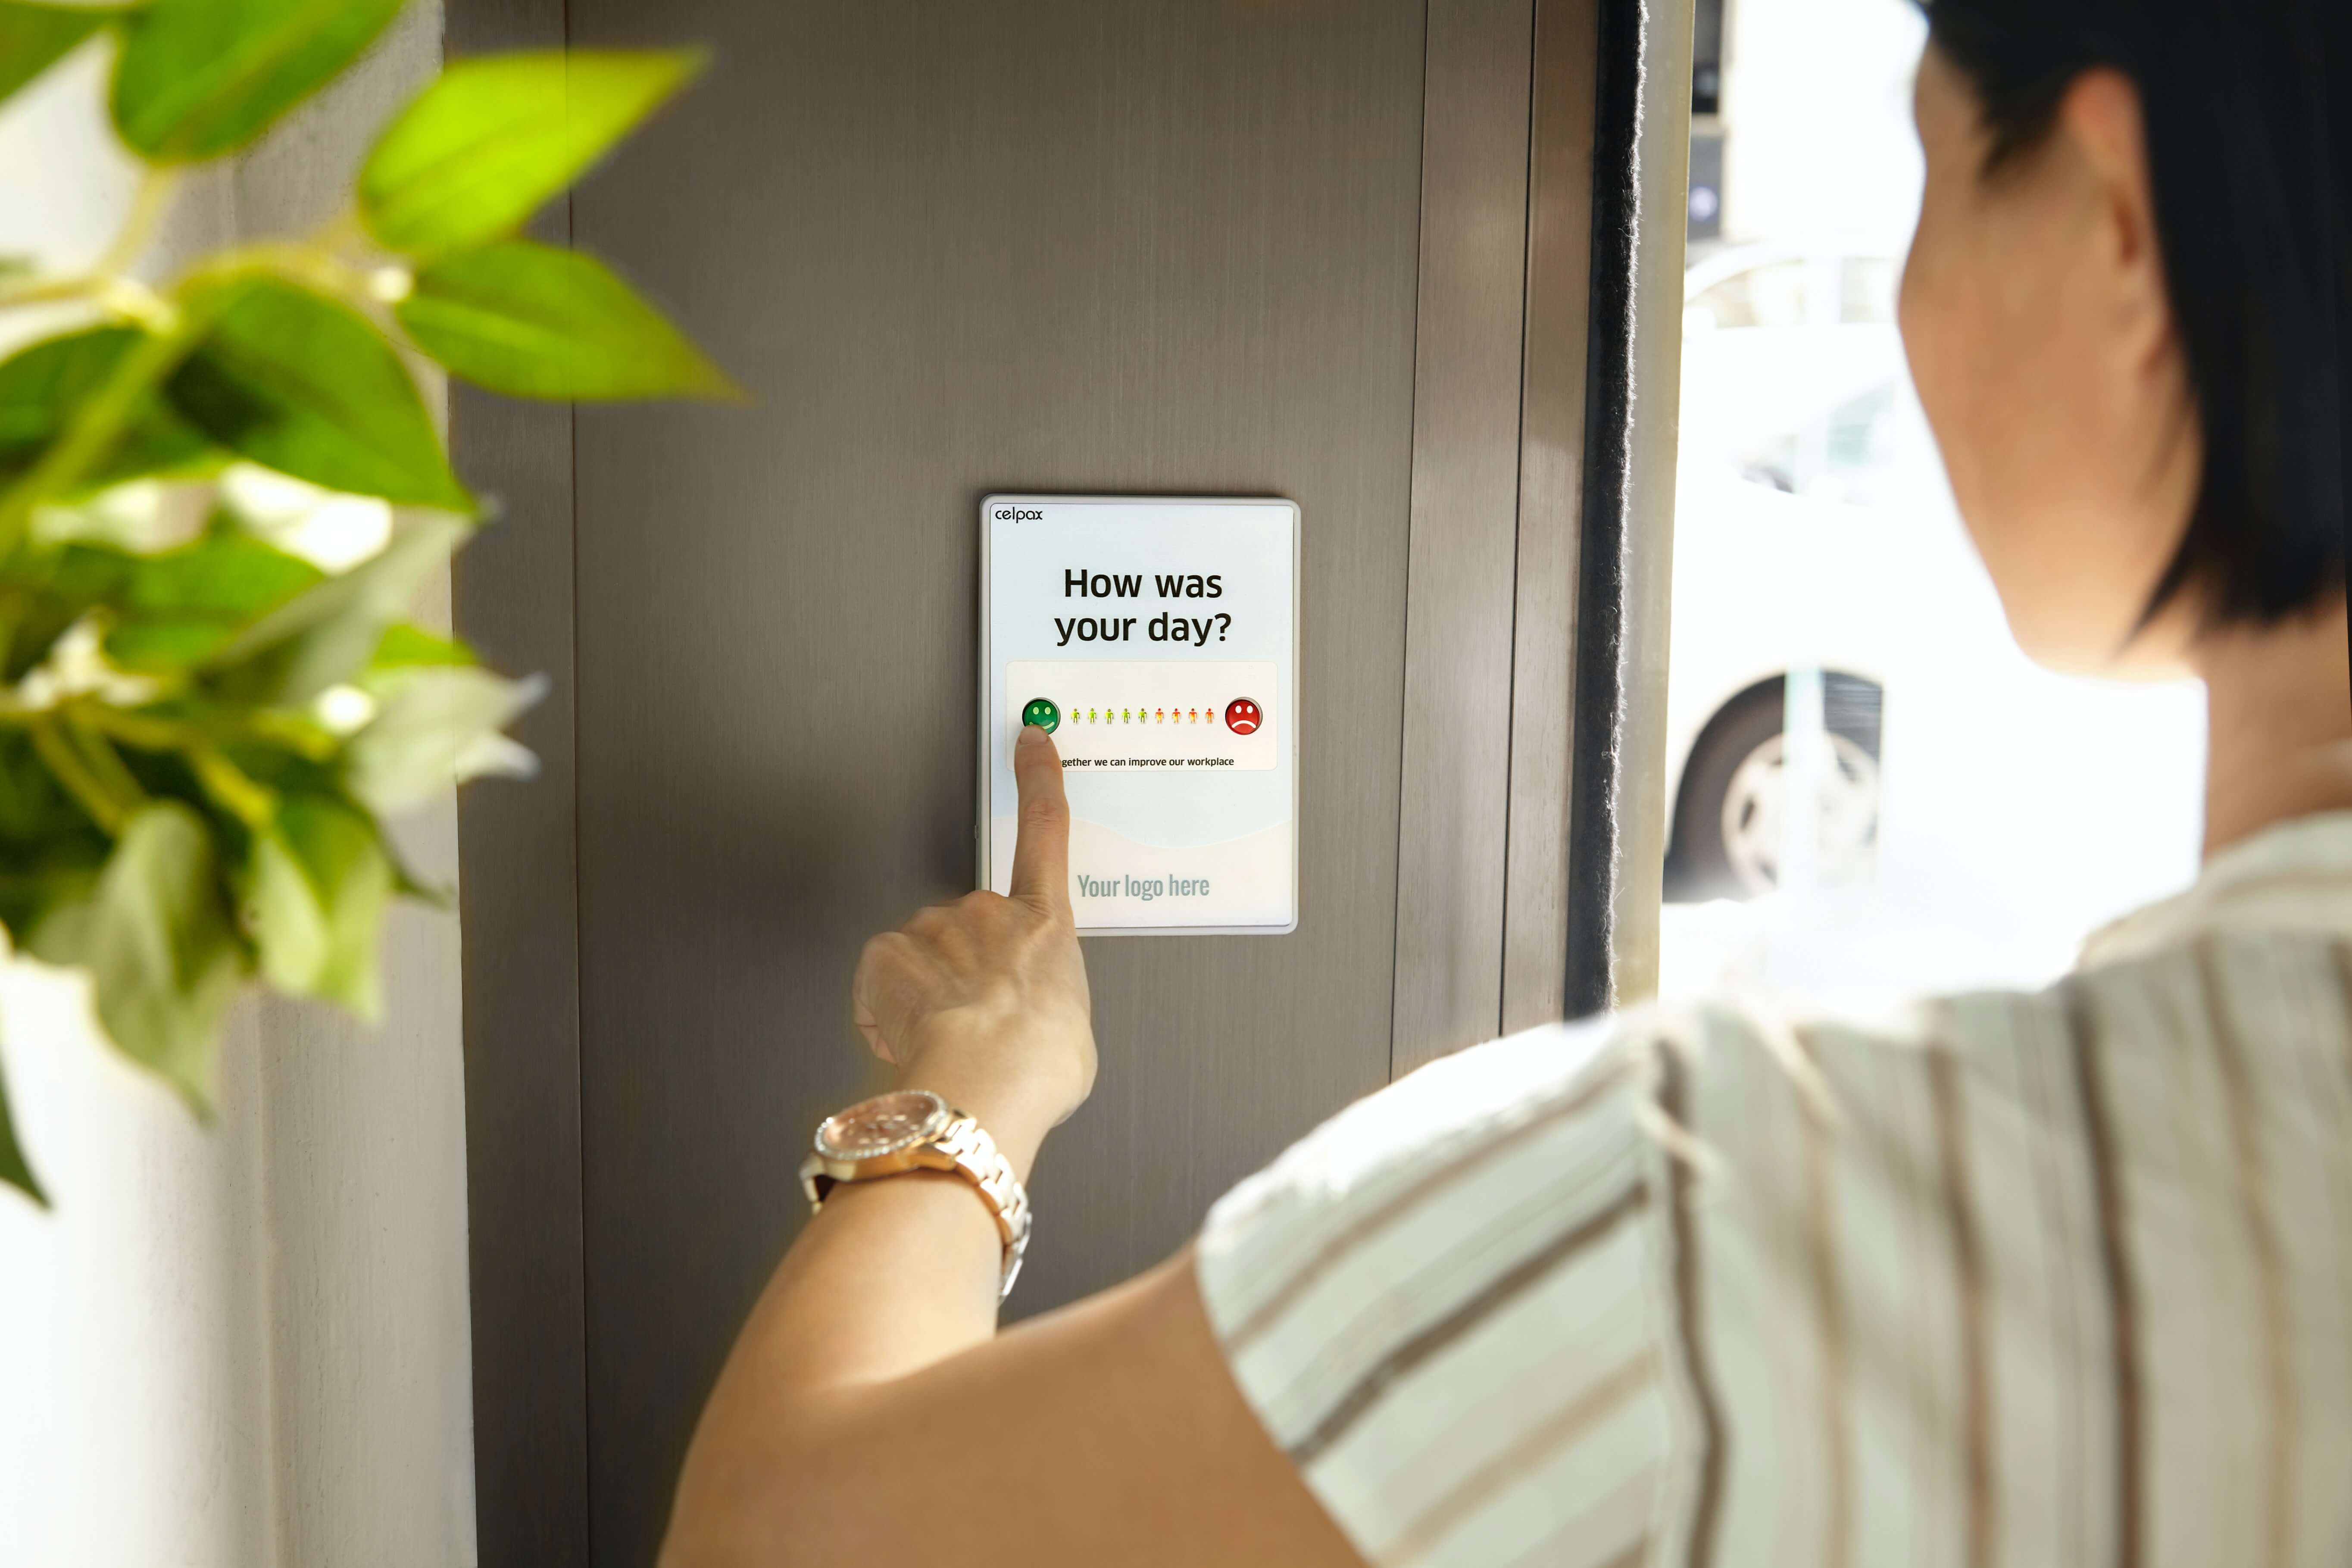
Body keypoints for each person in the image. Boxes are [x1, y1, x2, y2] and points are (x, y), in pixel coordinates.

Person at [662, 1, 2352, 1563]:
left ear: (2116, 226)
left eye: (1934, 171)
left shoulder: (1719, 1208)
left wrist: (982, 1086)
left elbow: (775, 1532)